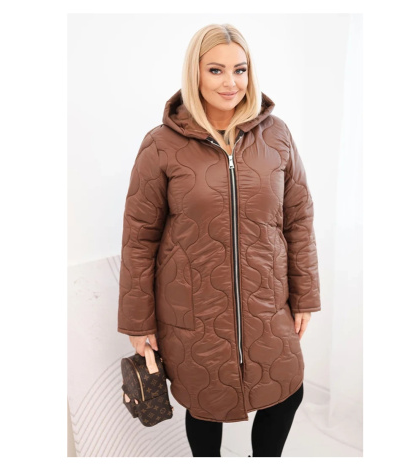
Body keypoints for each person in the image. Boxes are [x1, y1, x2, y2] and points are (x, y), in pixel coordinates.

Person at [117, 23, 321, 457]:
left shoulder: (277, 135)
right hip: (193, 310)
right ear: (195, 73)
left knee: (287, 392)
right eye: (216, 70)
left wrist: (305, 296)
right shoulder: (161, 145)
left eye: (239, 70)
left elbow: (299, 219)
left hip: (268, 301)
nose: (231, 82)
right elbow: (139, 238)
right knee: (204, 406)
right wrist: (138, 322)